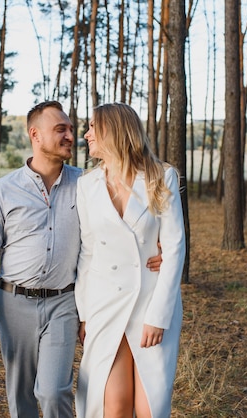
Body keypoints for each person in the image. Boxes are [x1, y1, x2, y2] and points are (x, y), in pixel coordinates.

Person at [0, 101, 161, 418]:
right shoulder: (3, 191)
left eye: (72, 128)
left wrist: (155, 246)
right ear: (35, 135)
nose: (72, 135)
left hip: (64, 302)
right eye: (61, 130)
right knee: (21, 394)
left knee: (54, 391)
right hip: (14, 305)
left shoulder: (88, 184)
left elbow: (114, 233)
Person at [75, 102, 186, 418]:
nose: (86, 135)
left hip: (151, 300)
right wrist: (85, 314)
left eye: (93, 127)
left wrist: (158, 316)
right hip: (105, 304)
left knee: (150, 405)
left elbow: (175, 248)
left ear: (113, 131)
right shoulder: (86, 185)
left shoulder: (161, 177)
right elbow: (88, 251)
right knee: (114, 405)